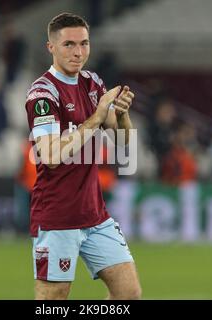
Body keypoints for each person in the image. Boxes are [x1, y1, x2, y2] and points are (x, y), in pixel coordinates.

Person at [24, 13, 141, 300]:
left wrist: (122, 114)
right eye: (69, 44)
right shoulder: (42, 94)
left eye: (84, 43)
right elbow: (51, 155)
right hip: (58, 215)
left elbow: (124, 142)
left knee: (129, 294)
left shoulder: (92, 83)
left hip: (95, 214)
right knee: (53, 300)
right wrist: (96, 118)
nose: (78, 52)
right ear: (51, 47)